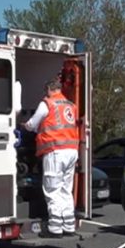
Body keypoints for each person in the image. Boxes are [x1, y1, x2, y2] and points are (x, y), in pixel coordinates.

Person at [23, 77, 79, 238]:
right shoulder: (70, 105)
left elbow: (32, 124)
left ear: (49, 90)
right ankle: (69, 225)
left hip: (55, 151)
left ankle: (55, 228)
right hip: (71, 150)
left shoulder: (47, 103)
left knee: (52, 189)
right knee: (65, 189)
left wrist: (25, 126)